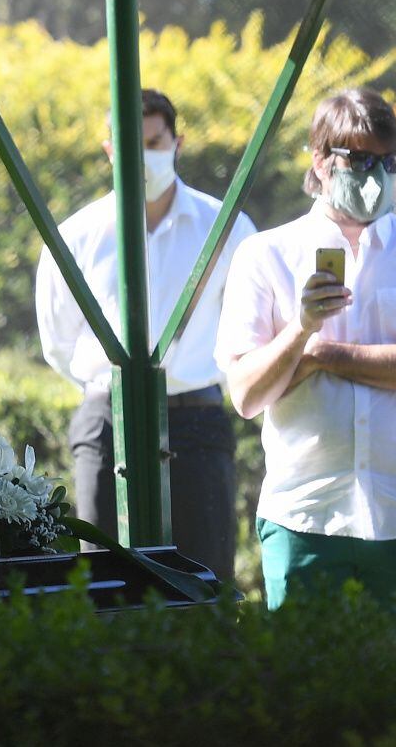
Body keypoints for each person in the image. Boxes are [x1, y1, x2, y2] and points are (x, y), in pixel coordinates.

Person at [216, 88, 396, 607]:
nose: (375, 175)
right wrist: (302, 329)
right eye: (359, 160)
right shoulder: (266, 253)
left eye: (388, 161)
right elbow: (245, 395)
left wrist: (321, 357)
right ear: (320, 160)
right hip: (305, 513)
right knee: (302, 681)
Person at [35, 88, 256, 584]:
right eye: (131, 145)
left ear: (178, 143)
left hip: (196, 415)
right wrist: (101, 391)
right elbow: (59, 341)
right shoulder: (77, 236)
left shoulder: (226, 228)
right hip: (105, 420)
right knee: (102, 580)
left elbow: (247, 327)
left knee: (206, 581)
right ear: (108, 148)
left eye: (155, 143)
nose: (145, 158)